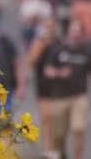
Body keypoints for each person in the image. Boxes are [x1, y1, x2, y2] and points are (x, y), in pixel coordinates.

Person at [45, 20, 90, 159]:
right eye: (73, 30)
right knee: (59, 136)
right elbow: (48, 70)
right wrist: (60, 73)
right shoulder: (58, 49)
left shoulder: (86, 50)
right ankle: (62, 155)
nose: (76, 34)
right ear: (68, 31)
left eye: (78, 31)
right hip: (60, 97)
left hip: (79, 96)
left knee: (79, 130)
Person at [27, 17, 58, 156]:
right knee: (46, 117)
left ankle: (56, 148)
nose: (50, 29)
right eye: (47, 26)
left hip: (59, 86)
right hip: (43, 85)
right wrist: (43, 44)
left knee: (57, 119)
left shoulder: (59, 42)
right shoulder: (38, 42)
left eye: (52, 26)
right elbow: (31, 61)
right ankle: (48, 149)